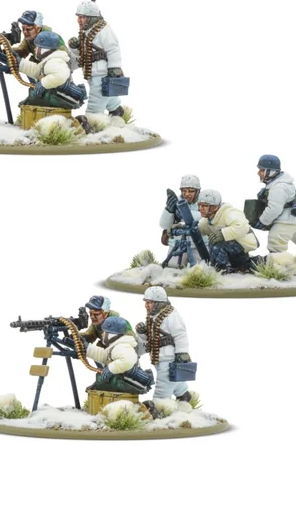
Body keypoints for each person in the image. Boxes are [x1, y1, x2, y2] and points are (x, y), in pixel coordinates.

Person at [68, 0, 132, 121]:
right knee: (107, 94)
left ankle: (93, 119)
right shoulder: (86, 31)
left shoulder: (104, 30)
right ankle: (116, 110)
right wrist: (75, 47)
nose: (79, 20)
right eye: (78, 17)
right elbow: (81, 53)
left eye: (82, 17)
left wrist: (114, 67)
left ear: (91, 17)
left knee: (96, 98)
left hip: (101, 73)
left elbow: (113, 49)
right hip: (92, 72)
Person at [135, 287, 192, 416]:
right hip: (158, 357)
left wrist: (182, 352)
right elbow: (149, 338)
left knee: (164, 381)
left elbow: (180, 334)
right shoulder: (153, 316)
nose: (146, 305)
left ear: (158, 302)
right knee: (173, 378)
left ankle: (160, 405)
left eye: (149, 302)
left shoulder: (171, 316)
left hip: (168, 357)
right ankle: (183, 394)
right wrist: (142, 332)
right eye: (146, 302)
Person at [17, 31, 85, 109]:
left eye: (37, 47)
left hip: (64, 96)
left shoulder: (54, 61)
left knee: (34, 95)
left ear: (44, 49)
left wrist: (43, 83)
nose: (35, 49)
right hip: (57, 94)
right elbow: (36, 71)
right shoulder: (49, 61)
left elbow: (60, 76)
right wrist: (20, 63)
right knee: (34, 94)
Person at [84, 316, 151, 395]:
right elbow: (104, 355)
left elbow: (128, 361)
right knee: (101, 378)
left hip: (131, 381)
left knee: (102, 380)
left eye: (105, 332)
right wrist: (88, 349)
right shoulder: (116, 346)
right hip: (125, 379)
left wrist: (110, 368)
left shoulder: (122, 346)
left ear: (112, 335)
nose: (102, 334)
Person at [197, 189, 259, 272]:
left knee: (217, 245)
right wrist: (184, 227)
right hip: (233, 245)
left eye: (204, 206)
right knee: (215, 243)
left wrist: (223, 234)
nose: (200, 208)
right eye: (199, 205)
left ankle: (222, 270)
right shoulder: (210, 218)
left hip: (244, 243)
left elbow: (242, 226)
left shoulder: (229, 213)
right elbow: (199, 227)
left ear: (215, 207)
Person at [159, 174, 207, 267]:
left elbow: (205, 220)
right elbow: (163, 225)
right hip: (178, 243)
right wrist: (169, 210)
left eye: (191, 191)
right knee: (172, 268)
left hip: (199, 244)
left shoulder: (204, 201)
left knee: (202, 268)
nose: (187, 194)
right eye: (184, 191)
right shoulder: (177, 201)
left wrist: (185, 213)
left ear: (198, 191)